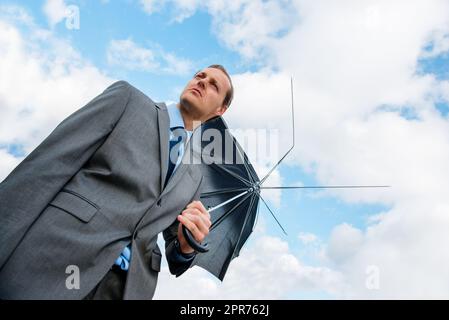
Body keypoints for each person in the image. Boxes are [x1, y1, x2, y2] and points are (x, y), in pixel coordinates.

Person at [0, 64, 234, 299]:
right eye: (199, 76)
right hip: (56, 258)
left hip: (125, 288)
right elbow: (47, 166)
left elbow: (175, 251)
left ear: (220, 110)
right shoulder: (128, 101)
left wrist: (186, 247)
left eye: (214, 85)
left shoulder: (195, 176)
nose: (202, 81)